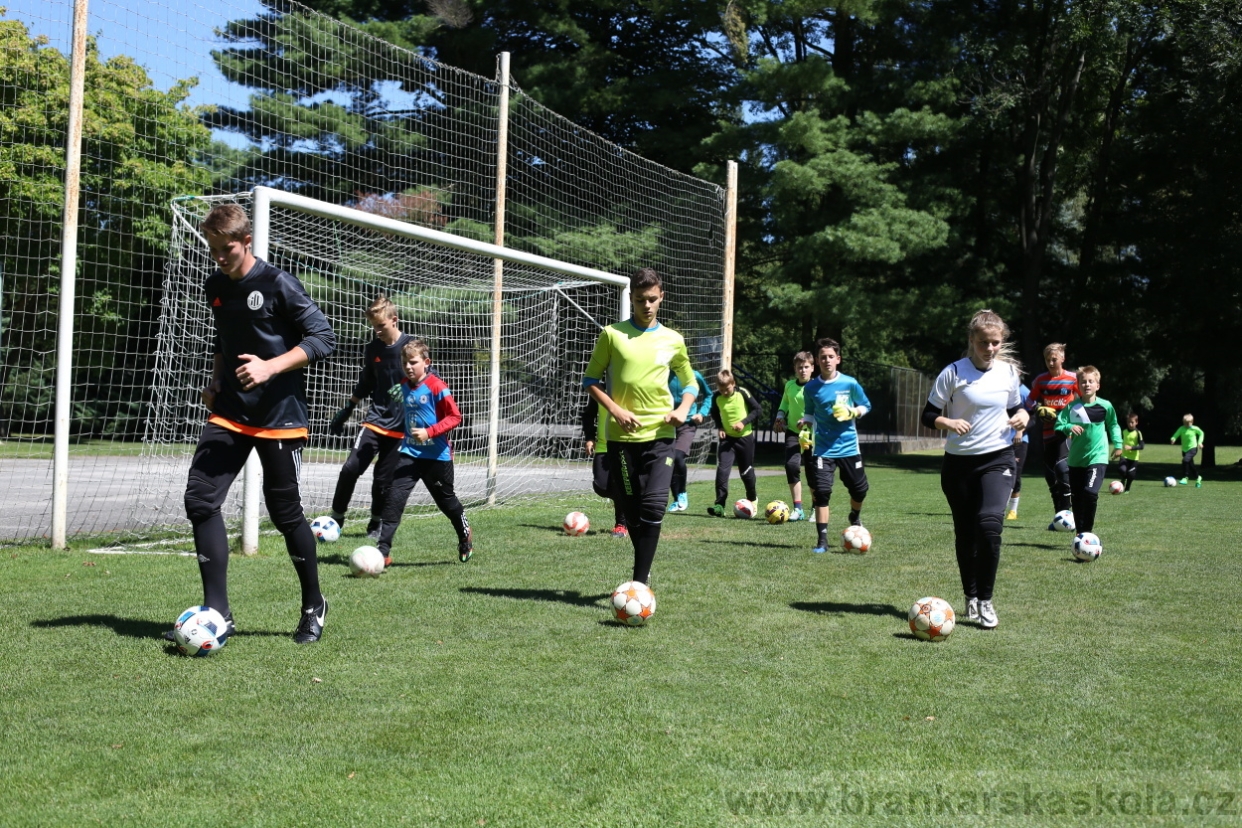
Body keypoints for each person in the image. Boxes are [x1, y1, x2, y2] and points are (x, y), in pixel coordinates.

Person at [167, 203, 336, 645]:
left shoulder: (278, 283)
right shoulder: (215, 286)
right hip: (229, 412)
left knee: (285, 514)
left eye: (227, 249)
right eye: (213, 249)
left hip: (279, 417)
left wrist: (270, 367)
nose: (219, 257)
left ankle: (313, 605)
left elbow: (323, 337)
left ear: (247, 242)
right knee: (200, 500)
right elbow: (221, 338)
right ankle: (218, 613)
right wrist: (217, 380)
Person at [582, 268, 697, 586]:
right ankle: (643, 565)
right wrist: (615, 410)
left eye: (651, 299)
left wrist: (683, 408)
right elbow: (590, 381)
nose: (646, 305)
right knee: (632, 514)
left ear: (661, 297)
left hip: (660, 436)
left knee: (654, 505)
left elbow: (690, 383)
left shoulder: (673, 340)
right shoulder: (612, 335)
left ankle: (639, 582)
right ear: (631, 298)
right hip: (620, 439)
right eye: (639, 300)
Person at [923, 309, 1027, 630]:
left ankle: (985, 601)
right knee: (966, 534)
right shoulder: (953, 373)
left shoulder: (1009, 373)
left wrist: (1023, 415)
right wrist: (949, 422)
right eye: (984, 342)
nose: (990, 348)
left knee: (990, 525)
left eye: (996, 343)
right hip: (958, 465)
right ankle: (969, 594)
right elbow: (928, 416)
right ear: (972, 341)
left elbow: (1014, 407)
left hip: (998, 459)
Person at [376, 338, 473, 566]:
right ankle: (383, 551)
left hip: (437, 458)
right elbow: (394, 403)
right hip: (410, 454)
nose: (408, 367)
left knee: (447, 503)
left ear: (426, 362)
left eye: (413, 362)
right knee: (394, 498)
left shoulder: (437, 386)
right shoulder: (403, 385)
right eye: (405, 363)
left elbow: (456, 417)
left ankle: (464, 535)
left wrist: (430, 432)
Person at [326, 295, 414, 539]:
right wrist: (348, 408)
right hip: (375, 420)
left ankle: (375, 524)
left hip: (401, 427)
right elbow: (367, 381)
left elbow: (430, 379)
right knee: (350, 468)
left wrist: (409, 389)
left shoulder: (410, 348)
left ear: (394, 320)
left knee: (383, 481)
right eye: (374, 326)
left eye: (381, 325)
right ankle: (336, 518)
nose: (376, 330)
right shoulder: (373, 349)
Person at [797, 338, 872, 554]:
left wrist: (853, 412)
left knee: (860, 490)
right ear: (817, 362)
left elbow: (866, 405)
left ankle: (854, 515)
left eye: (831, 356)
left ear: (838, 359)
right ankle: (822, 541)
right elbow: (809, 413)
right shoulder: (811, 388)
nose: (827, 360)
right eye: (823, 357)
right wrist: (805, 425)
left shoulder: (849, 383)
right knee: (821, 492)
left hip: (849, 447)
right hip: (823, 449)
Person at [1053, 366, 1123, 536]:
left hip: (1097, 457)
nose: (1087, 384)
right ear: (1078, 385)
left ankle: (1088, 533)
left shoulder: (1105, 406)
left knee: (1090, 493)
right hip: (1076, 460)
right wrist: (1069, 426)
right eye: (1083, 381)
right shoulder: (1072, 407)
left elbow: (1113, 424)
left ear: (1097, 385)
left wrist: (1118, 444)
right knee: (1077, 498)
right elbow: (1058, 425)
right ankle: (1080, 534)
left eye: (1091, 381)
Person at [1026, 343, 1079, 526]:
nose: (1050, 362)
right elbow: (1029, 401)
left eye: (1054, 359)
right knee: (1050, 476)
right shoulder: (1041, 380)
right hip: (1047, 432)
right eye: (1047, 359)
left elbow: (1085, 401)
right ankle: (1059, 517)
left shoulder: (1073, 379)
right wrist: (1038, 408)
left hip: (1066, 432)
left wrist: (1076, 418)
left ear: (1062, 358)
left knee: (1062, 469)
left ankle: (1068, 514)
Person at [706, 368, 762, 517]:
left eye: (727, 389)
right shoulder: (716, 397)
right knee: (722, 471)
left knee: (746, 472)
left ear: (733, 384)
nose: (724, 392)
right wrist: (720, 427)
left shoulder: (742, 392)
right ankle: (719, 505)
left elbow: (757, 409)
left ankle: (752, 499)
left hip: (745, 438)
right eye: (721, 389)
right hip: (727, 440)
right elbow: (714, 412)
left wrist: (743, 422)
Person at [773, 352, 816, 521]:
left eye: (806, 367)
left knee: (812, 472)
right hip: (792, 432)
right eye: (800, 367)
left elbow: (821, 410)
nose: (803, 370)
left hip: (812, 434)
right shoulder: (789, 385)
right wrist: (779, 416)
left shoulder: (817, 387)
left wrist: (807, 419)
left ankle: (816, 507)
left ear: (812, 368)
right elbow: (785, 403)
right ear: (795, 369)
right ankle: (798, 509)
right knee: (791, 467)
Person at [666, 369, 713, 512]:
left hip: (688, 424)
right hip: (668, 423)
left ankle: (682, 492)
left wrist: (702, 413)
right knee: (668, 461)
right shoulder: (663, 374)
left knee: (677, 456)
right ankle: (675, 499)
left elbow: (708, 395)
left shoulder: (694, 375)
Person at [581, 395, 628, 538]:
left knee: (619, 485)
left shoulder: (626, 388)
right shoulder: (599, 390)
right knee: (601, 487)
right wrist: (589, 438)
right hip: (602, 447)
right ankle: (629, 501)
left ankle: (621, 525)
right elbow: (589, 414)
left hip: (624, 445)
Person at [1004, 381, 1031, 520]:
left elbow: (1033, 417)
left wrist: (1020, 431)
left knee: (1015, 474)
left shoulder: (1025, 392)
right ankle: (998, 507)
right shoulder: (1001, 388)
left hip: (1019, 441)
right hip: (1000, 440)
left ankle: (1012, 510)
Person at [1170, 413, 1206, 487]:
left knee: (1185, 460)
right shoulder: (1181, 428)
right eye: (1184, 423)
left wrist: (1200, 442)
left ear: (1191, 422)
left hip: (1193, 448)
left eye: (1187, 423)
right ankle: (1198, 478)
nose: (1186, 425)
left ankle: (1185, 477)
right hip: (1184, 450)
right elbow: (1175, 435)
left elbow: (1201, 433)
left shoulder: (1194, 428)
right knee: (1190, 465)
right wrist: (1173, 439)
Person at [1119, 412, 1144, 492]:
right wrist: (1117, 450)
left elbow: (1142, 446)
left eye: (1132, 422)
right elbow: (1119, 442)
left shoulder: (1138, 433)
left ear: (1136, 422)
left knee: (1131, 475)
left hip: (1134, 458)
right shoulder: (1124, 432)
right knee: (1122, 470)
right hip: (1124, 456)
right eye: (1128, 422)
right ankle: (1123, 480)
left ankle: (1127, 489)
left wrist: (1131, 447)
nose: (1130, 424)